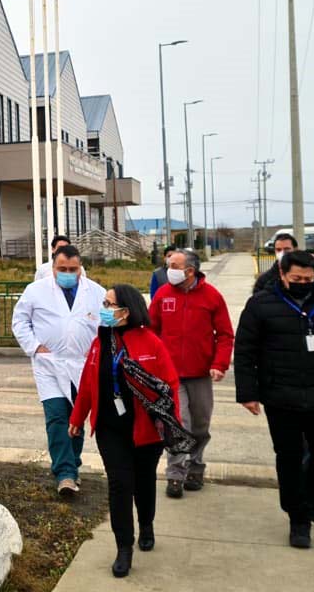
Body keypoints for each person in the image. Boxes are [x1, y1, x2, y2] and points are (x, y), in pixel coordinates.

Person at [234, 250, 314, 549]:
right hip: (280, 397)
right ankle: (299, 520)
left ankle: (308, 494)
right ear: (282, 275)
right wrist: (248, 393)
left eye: (308, 278)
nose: (304, 283)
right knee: (290, 459)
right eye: (297, 279)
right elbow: (245, 352)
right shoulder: (261, 305)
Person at [69, 284, 181, 579]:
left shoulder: (151, 343)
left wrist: (172, 425)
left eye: (109, 304)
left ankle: (146, 524)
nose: (103, 309)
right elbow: (88, 384)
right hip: (110, 429)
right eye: (103, 303)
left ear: (126, 312)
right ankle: (123, 547)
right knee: (120, 484)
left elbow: (170, 386)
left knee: (143, 483)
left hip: (146, 431)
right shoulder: (100, 343)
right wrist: (77, 417)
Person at [12, 244, 106, 496]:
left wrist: (97, 348)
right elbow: (19, 320)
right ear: (52, 268)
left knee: (76, 418)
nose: (67, 273)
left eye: (72, 269)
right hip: (48, 365)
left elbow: (105, 325)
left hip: (82, 365)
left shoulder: (95, 292)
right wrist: (34, 346)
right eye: (61, 268)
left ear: (80, 268)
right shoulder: (35, 291)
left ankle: (72, 466)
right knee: (56, 417)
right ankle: (64, 473)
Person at [149, 249, 235, 498]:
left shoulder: (212, 297)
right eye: (168, 264)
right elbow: (151, 330)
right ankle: (175, 474)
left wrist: (219, 364)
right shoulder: (164, 295)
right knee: (177, 423)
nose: (168, 269)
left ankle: (195, 467)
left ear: (190, 271)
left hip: (200, 373)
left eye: (174, 265)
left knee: (200, 424)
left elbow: (226, 335)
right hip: (170, 374)